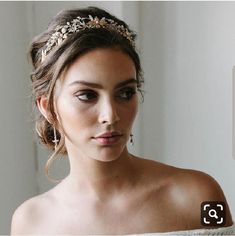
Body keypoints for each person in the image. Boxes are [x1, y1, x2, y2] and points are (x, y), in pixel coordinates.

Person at [11, 6, 234, 235]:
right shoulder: (30, 223)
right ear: (48, 107)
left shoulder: (202, 198)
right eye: (87, 95)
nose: (111, 115)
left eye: (125, 93)